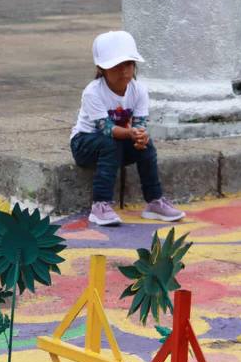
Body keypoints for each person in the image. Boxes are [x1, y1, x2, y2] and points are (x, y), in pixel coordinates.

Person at [70, 31, 185, 227]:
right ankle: (100, 205)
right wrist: (130, 133)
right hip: (85, 144)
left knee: (147, 146)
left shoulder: (139, 90)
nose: (123, 71)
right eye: (116, 66)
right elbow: (105, 128)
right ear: (102, 69)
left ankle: (154, 201)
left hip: (117, 143)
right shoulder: (93, 92)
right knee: (109, 143)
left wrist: (140, 136)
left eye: (128, 64)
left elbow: (139, 122)